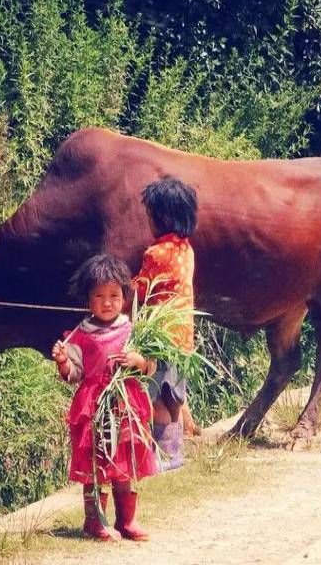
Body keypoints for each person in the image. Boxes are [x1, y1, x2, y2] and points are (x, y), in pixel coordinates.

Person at [52, 254, 155, 541]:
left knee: (124, 462)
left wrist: (137, 360)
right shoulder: (80, 335)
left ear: (124, 296)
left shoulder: (133, 330)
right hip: (94, 407)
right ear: (88, 299)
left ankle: (126, 521)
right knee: (97, 465)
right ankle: (94, 521)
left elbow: (150, 366)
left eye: (114, 295)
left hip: (125, 405)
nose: (107, 302)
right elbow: (74, 373)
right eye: (99, 296)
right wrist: (63, 361)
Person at [133, 176, 200, 472]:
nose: (147, 221)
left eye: (149, 215)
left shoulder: (155, 253)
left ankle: (162, 456)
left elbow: (141, 291)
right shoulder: (186, 249)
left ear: (162, 217)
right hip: (183, 335)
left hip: (161, 338)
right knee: (174, 396)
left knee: (158, 398)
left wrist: (120, 289)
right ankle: (175, 454)